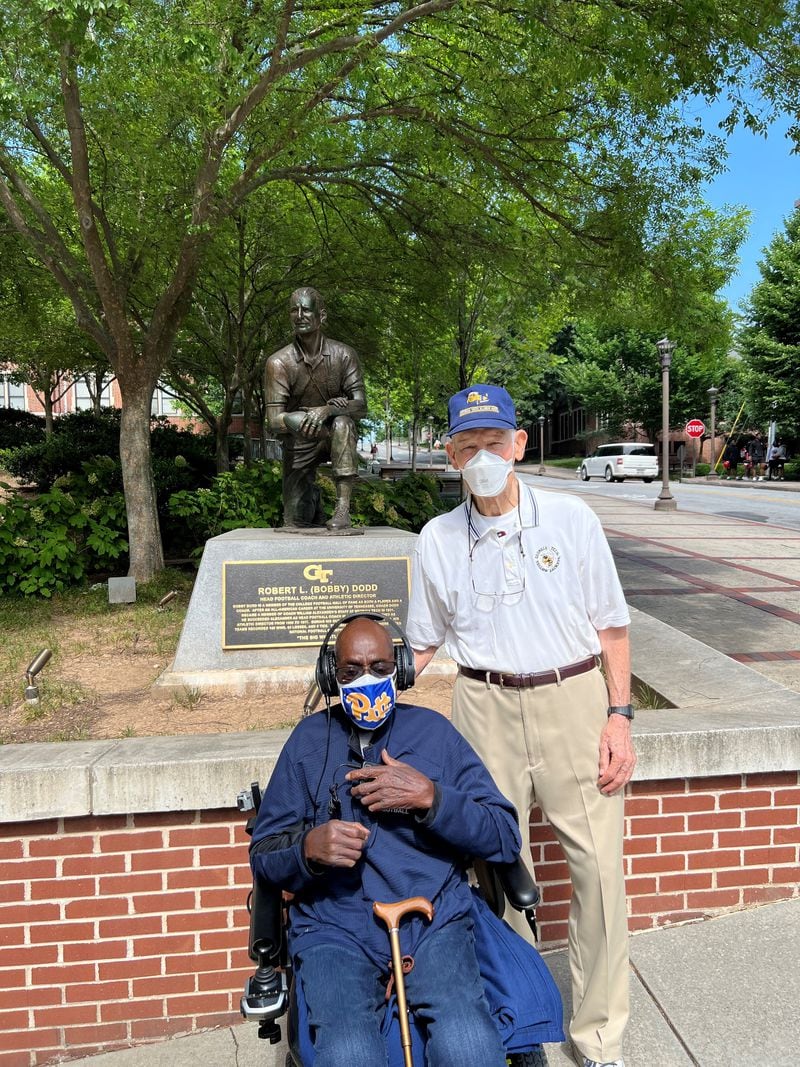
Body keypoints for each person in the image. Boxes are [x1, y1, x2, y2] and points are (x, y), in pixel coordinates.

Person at [406, 384, 635, 1067]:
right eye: (468, 446)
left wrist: (619, 715)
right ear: (450, 454)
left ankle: (600, 1035)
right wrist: (366, 684)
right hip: (483, 705)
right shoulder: (437, 539)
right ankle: (521, 1022)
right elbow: (423, 643)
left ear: (520, 445)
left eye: (494, 443)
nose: (483, 458)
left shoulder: (571, 519)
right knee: (498, 868)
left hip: (573, 697)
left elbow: (613, 627)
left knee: (598, 872)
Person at [250, 615, 538, 1067]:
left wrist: (432, 798)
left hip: (433, 919)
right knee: (347, 1054)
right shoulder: (308, 743)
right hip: (335, 927)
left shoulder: (435, 734)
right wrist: (308, 850)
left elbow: (502, 834)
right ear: (332, 676)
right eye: (352, 671)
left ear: (401, 670)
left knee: (470, 1046)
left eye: (381, 668)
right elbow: (264, 857)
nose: (367, 680)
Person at [265, 287, 366, 529]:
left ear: (322, 316)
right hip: (299, 440)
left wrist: (328, 410)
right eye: (293, 310)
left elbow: (361, 406)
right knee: (296, 520)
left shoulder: (344, 355)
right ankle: (313, 499)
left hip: (336, 433)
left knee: (344, 423)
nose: (299, 315)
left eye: (306, 310)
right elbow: (273, 420)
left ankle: (343, 510)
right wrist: (300, 418)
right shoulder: (278, 362)